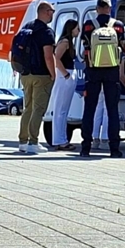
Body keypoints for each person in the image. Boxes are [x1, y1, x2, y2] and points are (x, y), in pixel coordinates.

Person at [80, 0, 125, 158]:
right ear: (109, 8)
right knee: (112, 109)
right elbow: (122, 47)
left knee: (89, 109)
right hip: (112, 71)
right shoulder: (118, 26)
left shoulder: (88, 25)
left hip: (93, 70)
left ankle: (86, 147)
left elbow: (85, 46)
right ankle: (114, 148)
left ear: (97, 8)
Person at [17, 1, 56, 154]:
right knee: (38, 109)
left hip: (25, 74)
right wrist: (53, 74)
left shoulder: (26, 27)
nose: (52, 13)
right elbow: (48, 56)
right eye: (51, 11)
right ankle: (33, 142)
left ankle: (22, 141)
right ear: (46, 11)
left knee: (28, 108)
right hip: (41, 75)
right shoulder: (46, 32)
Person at [49, 19, 79, 150]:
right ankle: (59, 140)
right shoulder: (65, 42)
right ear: (71, 28)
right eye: (77, 28)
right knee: (60, 109)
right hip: (64, 76)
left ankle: (62, 139)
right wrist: (65, 74)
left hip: (68, 75)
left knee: (64, 110)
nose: (78, 31)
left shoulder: (69, 42)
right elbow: (56, 58)